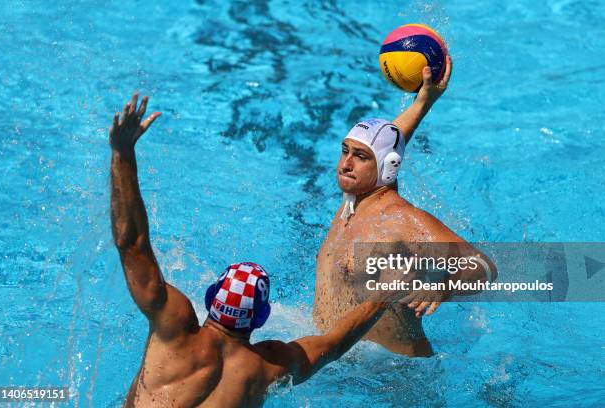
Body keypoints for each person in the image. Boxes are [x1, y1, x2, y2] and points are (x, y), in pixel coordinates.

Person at [109, 93, 397, 407]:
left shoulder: (173, 324)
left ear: (210, 298)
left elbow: (132, 243)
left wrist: (123, 153)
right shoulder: (267, 368)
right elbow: (336, 343)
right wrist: (386, 292)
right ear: (261, 318)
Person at [313, 56, 497, 357]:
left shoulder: (401, 220)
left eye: (359, 157)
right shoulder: (352, 202)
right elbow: (385, 145)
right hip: (338, 364)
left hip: (394, 380)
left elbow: (484, 267)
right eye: (344, 151)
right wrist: (423, 102)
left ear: (387, 168)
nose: (345, 164)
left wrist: (443, 286)